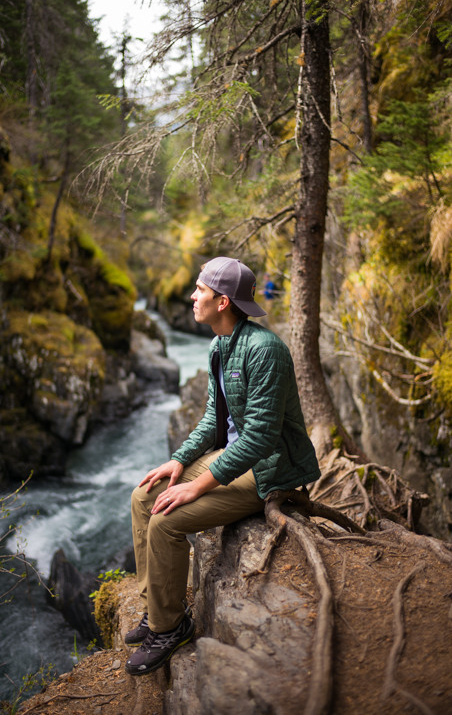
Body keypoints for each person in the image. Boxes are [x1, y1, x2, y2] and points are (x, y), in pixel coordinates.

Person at [124, 256, 320, 676]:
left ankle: (170, 627)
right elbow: (213, 420)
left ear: (223, 301)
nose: (192, 296)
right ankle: (157, 608)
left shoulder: (266, 351)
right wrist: (178, 461)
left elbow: (262, 438)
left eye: (200, 290)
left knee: (166, 520)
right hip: (232, 459)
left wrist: (198, 486)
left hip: (268, 469)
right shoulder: (219, 345)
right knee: (143, 497)